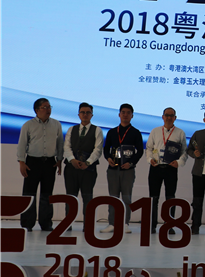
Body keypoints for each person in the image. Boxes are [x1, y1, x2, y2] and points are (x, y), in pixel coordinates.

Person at [17, 98, 63, 231]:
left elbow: (60, 143)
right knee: (29, 194)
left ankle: (46, 223)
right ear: (37, 110)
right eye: (45, 107)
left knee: (47, 194)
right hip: (32, 162)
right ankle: (27, 224)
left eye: (49, 107)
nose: (48, 110)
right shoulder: (28, 125)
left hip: (50, 163)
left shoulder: (56, 124)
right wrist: (21, 162)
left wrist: (59, 160)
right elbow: (22, 144)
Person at [103, 103, 144, 233]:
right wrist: (108, 158)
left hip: (128, 170)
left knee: (126, 198)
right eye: (123, 112)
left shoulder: (136, 133)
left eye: (128, 113)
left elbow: (140, 152)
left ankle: (125, 223)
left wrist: (130, 163)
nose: (125, 115)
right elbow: (106, 149)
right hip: (113, 169)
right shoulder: (112, 132)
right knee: (113, 197)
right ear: (119, 114)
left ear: (132, 116)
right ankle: (112, 223)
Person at [146, 107, 187, 234]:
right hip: (156, 167)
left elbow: (184, 152)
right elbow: (148, 148)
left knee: (170, 198)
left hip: (171, 168)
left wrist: (179, 162)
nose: (169, 118)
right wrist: (150, 159)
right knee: (153, 198)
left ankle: (169, 225)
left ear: (175, 118)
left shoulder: (180, 133)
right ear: (163, 117)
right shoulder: (155, 131)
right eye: (167, 115)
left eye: (171, 115)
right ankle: (152, 225)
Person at [63, 102, 103, 230]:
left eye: (88, 112)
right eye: (83, 112)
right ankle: (67, 224)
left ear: (92, 115)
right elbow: (66, 147)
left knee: (87, 197)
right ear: (79, 114)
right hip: (71, 168)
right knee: (70, 197)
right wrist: (72, 160)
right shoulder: (71, 129)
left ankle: (88, 225)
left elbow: (98, 149)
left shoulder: (97, 130)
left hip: (88, 170)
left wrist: (88, 162)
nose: (85, 115)